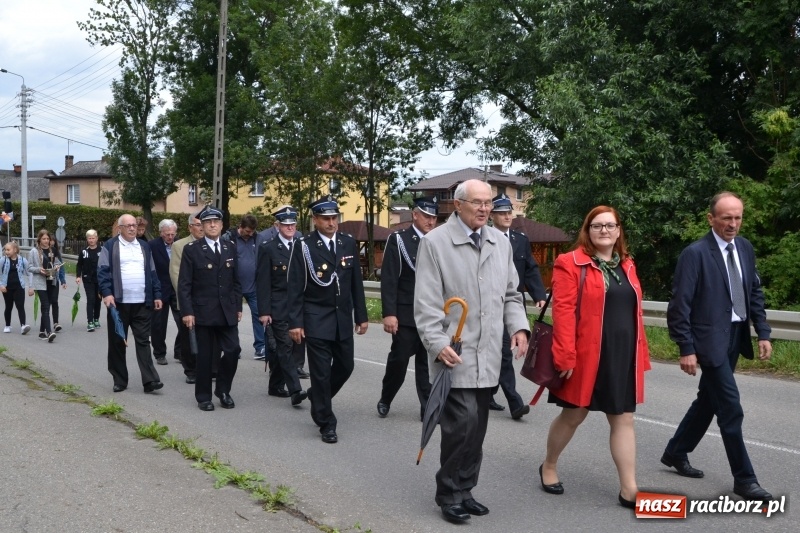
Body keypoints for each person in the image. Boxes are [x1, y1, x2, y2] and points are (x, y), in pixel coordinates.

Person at [414, 179, 529, 523]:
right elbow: (426, 302)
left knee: (477, 427)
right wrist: (437, 343)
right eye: (477, 202)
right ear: (458, 204)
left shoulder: (499, 242)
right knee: (461, 424)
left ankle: (466, 489)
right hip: (456, 350)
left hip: (490, 352)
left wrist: (519, 327)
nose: (484, 209)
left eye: (488, 203)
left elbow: (511, 293)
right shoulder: (436, 243)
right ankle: (448, 492)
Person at [662, 192, 773, 502]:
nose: (733, 224)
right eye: (726, 218)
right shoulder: (695, 254)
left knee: (708, 401)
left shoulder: (745, 248)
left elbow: (753, 293)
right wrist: (686, 347)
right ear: (711, 219)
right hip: (708, 342)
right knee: (730, 407)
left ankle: (676, 451)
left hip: (736, 336)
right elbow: (679, 305)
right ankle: (745, 479)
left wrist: (762, 332)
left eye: (737, 217)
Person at [540, 206, 650, 509]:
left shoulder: (627, 264)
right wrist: (564, 355)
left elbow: (633, 311)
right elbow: (562, 311)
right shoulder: (570, 263)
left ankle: (629, 488)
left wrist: (641, 351)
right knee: (574, 415)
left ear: (618, 231)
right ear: (587, 231)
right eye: (597, 225)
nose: (604, 230)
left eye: (610, 225)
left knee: (623, 418)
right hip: (585, 355)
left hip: (622, 354)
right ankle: (549, 465)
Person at [287, 195, 368, 444]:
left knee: (346, 366)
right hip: (316, 318)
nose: (332, 223)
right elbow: (294, 287)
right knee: (321, 373)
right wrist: (296, 323)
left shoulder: (347, 243)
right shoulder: (304, 246)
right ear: (315, 220)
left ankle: (317, 396)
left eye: (334, 218)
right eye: (326, 219)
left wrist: (361, 316)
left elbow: (356, 282)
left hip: (342, 318)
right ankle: (326, 421)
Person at [376, 197, 438, 420]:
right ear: (415, 215)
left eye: (434, 217)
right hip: (406, 313)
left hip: (432, 314)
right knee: (399, 360)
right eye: (426, 216)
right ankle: (386, 397)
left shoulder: (440, 241)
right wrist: (389, 314)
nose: (431, 221)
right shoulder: (399, 240)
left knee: (426, 363)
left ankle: (427, 407)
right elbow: (390, 278)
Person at [488, 193, 547, 418]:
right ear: (492, 215)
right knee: (503, 353)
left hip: (513, 304)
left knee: (501, 352)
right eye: (502, 212)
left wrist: (538, 294)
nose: (507, 216)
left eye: (509, 212)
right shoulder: (485, 238)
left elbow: (530, 269)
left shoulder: (520, 239)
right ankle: (515, 403)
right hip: (493, 304)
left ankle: (488, 392)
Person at [178, 207, 242, 411]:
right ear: (202, 227)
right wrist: (187, 312)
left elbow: (236, 280)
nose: (212, 225)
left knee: (233, 350)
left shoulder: (230, 247)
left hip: (227, 310)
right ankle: (203, 396)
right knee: (205, 357)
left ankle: (223, 390)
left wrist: (238, 306)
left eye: (216, 222)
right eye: (208, 223)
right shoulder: (192, 250)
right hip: (203, 311)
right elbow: (184, 284)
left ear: (222, 225)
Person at [97, 214, 164, 394]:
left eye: (134, 225)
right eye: (128, 226)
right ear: (120, 228)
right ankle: (119, 379)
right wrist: (107, 293)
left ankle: (150, 381)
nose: (133, 228)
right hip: (118, 303)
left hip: (142, 302)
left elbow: (152, 272)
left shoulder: (144, 246)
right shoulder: (110, 246)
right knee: (118, 341)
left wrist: (157, 294)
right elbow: (102, 272)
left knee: (143, 341)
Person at [256, 206, 307, 406]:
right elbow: (263, 282)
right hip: (278, 305)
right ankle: (295, 389)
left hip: (299, 305)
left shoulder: (302, 245)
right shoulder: (268, 248)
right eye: (285, 225)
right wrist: (264, 311)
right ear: (277, 226)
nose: (290, 228)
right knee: (285, 346)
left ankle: (275, 385)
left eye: (293, 224)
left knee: (292, 347)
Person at [222, 214, 266, 360]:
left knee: (259, 315)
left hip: (253, 285)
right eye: (247, 231)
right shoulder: (229, 239)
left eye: (252, 231)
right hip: (234, 287)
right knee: (233, 317)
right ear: (240, 227)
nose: (250, 234)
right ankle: (234, 348)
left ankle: (260, 347)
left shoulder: (257, 238)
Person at [170, 211, 205, 382]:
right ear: (190, 227)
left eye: (203, 224)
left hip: (208, 301)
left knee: (207, 335)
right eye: (198, 224)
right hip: (188, 299)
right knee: (187, 335)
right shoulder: (180, 246)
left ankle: (209, 367)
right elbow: (176, 274)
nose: (202, 228)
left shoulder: (213, 244)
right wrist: (186, 299)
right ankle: (190, 369)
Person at [149, 219, 181, 365]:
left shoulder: (180, 245)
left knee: (184, 321)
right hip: (160, 290)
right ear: (161, 233)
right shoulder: (152, 246)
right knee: (158, 325)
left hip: (177, 289)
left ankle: (180, 352)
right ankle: (159, 353)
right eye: (167, 234)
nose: (170, 237)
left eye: (173, 234)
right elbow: (150, 269)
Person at [27, 230, 65, 342]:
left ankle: (41, 332)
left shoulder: (52, 250)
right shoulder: (34, 252)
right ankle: (49, 332)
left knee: (46, 306)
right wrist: (39, 270)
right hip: (40, 282)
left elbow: (57, 262)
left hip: (51, 280)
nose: (46, 241)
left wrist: (57, 267)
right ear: (39, 240)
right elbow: (29, 267)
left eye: (48, 239)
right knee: (45, 306)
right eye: (44, 239)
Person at [1, 241, 32, 335]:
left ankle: (23, 325)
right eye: (5, 250)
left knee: (20, 306)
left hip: (19, 287)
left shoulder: (22, 260)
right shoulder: (3, 260)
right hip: (7, 287)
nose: (6, 251)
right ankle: (7, 325)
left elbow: (29, 273)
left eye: (8, 249)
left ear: (15, 250)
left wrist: (31, 286)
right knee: (8, 306)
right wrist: (1, 285)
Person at [76, 230, 102, 332]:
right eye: (89, 238)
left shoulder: (102, 250)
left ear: (96, 238)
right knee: (90, 299)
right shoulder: (84, 252)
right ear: (87, 239)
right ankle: (90, 322)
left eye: (93, 238)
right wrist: (78, 276)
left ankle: (96, 319)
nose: (91, 240)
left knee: (98, 300)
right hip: (88, 279)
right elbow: (79, 265)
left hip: (99, 279)